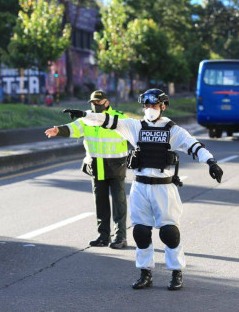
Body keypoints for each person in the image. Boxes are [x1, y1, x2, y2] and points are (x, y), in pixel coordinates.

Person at [62, 88, 223, 291]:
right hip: (140, 186)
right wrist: (85, 115)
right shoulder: (135, 127)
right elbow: (107, 121)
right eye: (146, 105)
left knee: (169, 233)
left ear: (163, 106)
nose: (149, 109)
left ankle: (176, 272)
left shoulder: (173, 130)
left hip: (164, 189)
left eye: (153, 105)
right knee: (140, 231)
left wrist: (211, 162)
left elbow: (194, 145)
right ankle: (145, 273)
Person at [45, 90, 129, 249]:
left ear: (106, 102)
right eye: (93, 103)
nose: (95, 105)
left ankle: (120, 237)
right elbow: (74, 128)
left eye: (98, 102)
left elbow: (118, 125)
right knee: (100, 203)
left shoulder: (119, 116)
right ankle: (103, 236)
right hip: (97, 166)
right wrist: (58, 130)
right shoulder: (87, 119)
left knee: (119, 203)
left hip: (116, 166)